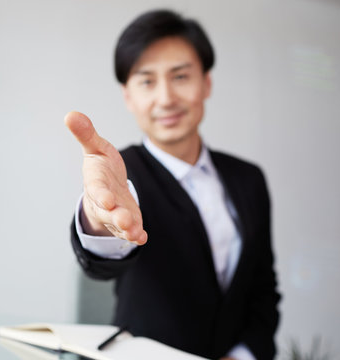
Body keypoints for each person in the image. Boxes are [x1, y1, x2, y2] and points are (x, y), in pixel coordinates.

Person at [65, 9, 281, 360]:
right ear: (128, 97)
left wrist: (243, 355)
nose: (166, 98)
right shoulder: (120, 173)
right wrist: (97, 218)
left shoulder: (248, 179)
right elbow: (102, 262)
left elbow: (263, 290)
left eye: (180, 76)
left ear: (206, 83)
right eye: (147, 81)